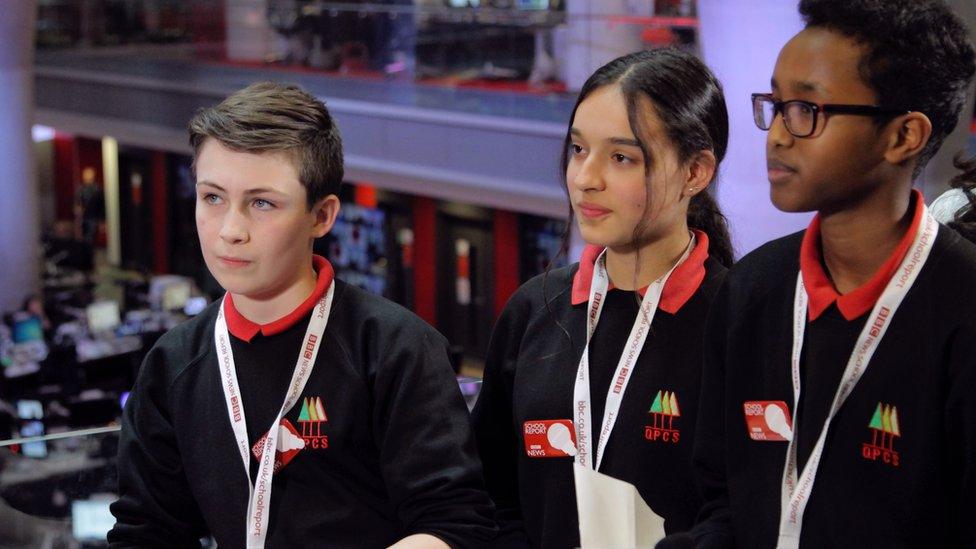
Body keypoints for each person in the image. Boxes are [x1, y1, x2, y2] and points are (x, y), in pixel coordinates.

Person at [108, 81, 495, 548]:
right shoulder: (175, 363)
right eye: (212, 197)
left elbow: (455, 524)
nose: (230, 230)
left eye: (262, 203)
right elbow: (145, 531)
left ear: (322, 216)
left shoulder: (393, 347)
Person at [691, 1, 976, 547]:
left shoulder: (961, 310)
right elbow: (722, 499)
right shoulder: (753, 291)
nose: (776, 134)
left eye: (806, 110)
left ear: (903, 136)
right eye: (775, 105)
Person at [471, 48, 734, 548]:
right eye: (577, 150)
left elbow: (747, 507)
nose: (586, 178)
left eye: (621, 157)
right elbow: (491, 490)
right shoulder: (535, 309)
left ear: (695, 173)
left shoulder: (737, 317)